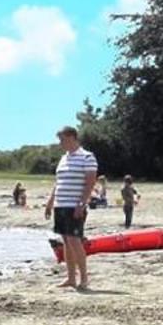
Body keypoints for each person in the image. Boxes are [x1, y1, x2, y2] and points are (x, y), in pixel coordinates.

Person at [51, 125, 100, 291]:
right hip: (61, 204)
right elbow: (58, 182)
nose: (60, 143)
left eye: (62, 140)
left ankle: (84, 278)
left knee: (75, 240)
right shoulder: (63, 158)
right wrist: (51, 202)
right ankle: (71, 278)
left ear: (72, 137)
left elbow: (90, 182)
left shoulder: (87, 157)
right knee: (65, 241)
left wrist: (81, 203)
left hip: (74, 205)